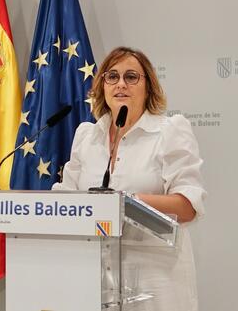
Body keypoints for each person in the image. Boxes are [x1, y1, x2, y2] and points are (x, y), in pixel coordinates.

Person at [53, 46, 206, 311]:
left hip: (155, 279)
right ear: (102, 86)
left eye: (131, 77)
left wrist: (127, 202)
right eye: (112, 76)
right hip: (95, 276)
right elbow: (66, 198)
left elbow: (188, 206)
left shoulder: (169, 131)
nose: (121, 84)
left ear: (148, 87)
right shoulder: (87, 135)